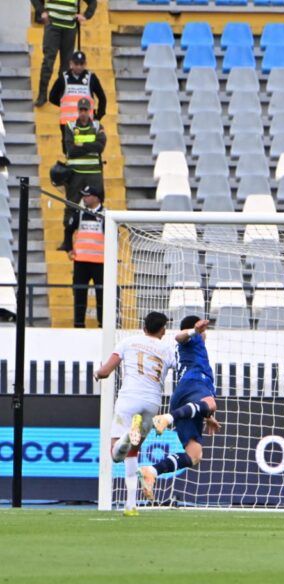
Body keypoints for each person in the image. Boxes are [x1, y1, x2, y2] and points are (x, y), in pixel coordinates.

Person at [94, 312, 175, 516]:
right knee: (133, 453)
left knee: (116, 455)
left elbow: (105, 372)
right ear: (163, 330)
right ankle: (131, 505)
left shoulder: (128, 342)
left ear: (144, 327)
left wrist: (97, 373)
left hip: (129, 399)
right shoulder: (168, 349)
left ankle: (126, 437)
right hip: (152, 403)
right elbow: (181, 369)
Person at [140, 317, 222, 500]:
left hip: (184, 397)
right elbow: (179, 337)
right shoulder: (194, 339)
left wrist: (207, 415)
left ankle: (151, 471)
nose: (205, 335)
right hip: (194, 384)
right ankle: (166, 418)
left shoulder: (187, 350)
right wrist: (195, 331)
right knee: (211, 403)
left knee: (194, 455)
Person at [60, 97, 105, 252]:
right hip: (76, 173)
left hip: (94, 172)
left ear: (90, 111)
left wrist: (81, 145)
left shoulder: (98, 125)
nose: (84, 113)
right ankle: (67, 241)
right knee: (71, 205)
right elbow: (70, 150)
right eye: (81, 110)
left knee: (98, 204)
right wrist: (90, 146)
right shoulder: (70, 126)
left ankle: (100, 237)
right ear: (78, 110)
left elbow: (100, 146)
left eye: (86, 110)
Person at [32, 0, 97, 107]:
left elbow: (92, 2)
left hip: (69, 28)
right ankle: (42, 95)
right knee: (48, 62)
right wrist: (41, 11)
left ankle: (62, 94)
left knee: (66, 65)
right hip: (52, 26)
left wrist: (86, 15)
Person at [68, 183, 104, 328]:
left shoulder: (106, 214)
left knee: (102, 294)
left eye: (87, 196)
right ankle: (78, 324)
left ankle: (103, 324)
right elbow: (68, 230)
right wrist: (69, 248)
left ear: (96, 197)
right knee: (79, 293)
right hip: (81, 261)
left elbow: (115, 236)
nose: (84, 198)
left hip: (100, 262)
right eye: (83, 196)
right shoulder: (80, 213)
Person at [49, 50, 106, 139]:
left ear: (85, 64)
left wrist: (98, 116)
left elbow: (102, 98)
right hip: (67, 125)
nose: (79, 67)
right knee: (69, 147)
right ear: (71, 63)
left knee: (86, 146)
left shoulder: (91, 78)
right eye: (76, 64)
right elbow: (52, 97)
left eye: (81, 64)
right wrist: (64, 104)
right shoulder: (63, 78)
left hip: (86, 124)